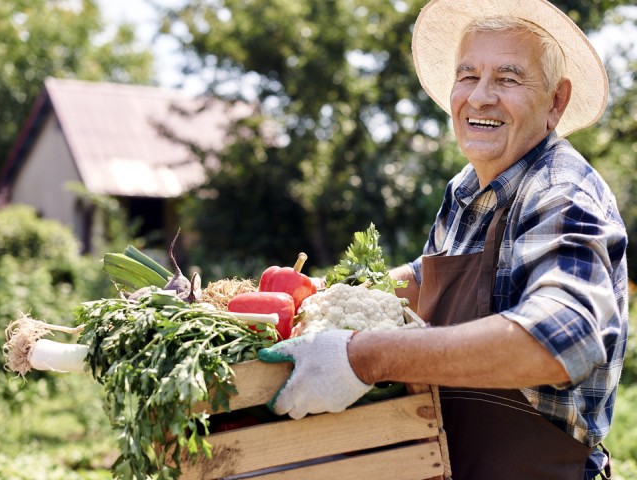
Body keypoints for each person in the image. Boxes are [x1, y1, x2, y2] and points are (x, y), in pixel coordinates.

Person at [258, 0, 629, 478]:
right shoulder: (467, 188)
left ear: (556, 102)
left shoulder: (561, 193)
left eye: (508, 78)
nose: (480, 97)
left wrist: (362, 358)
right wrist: (319, 300)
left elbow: (563, 339)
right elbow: (427, 276)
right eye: (468, 75)